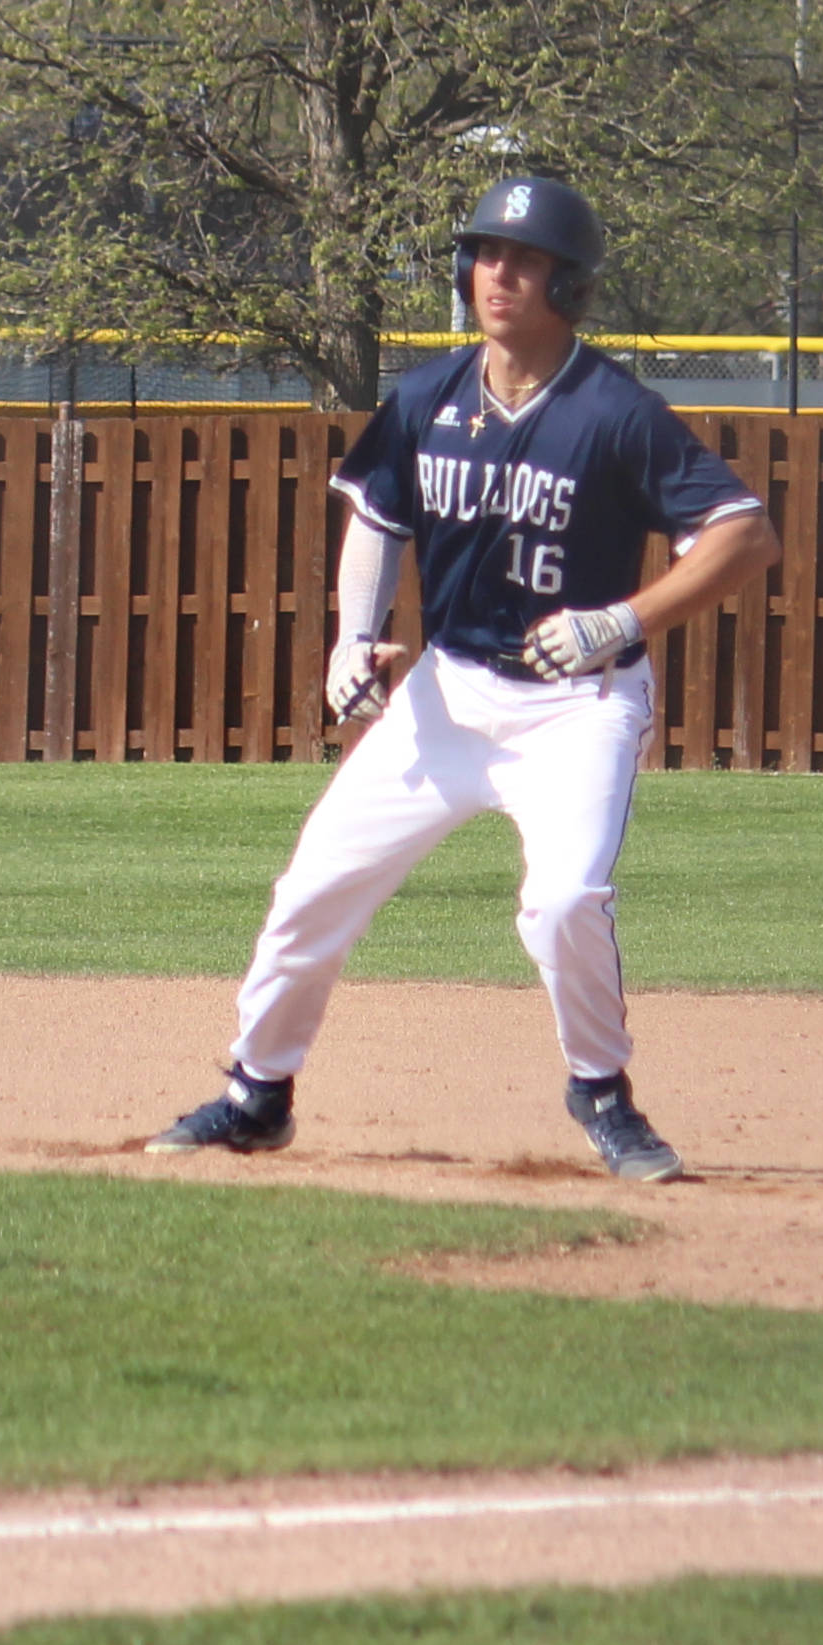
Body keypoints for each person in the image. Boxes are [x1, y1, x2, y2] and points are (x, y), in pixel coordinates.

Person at [148, 174, 777, 1184]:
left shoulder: (613, 411)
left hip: (580, 706)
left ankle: (601, 1092)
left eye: (526, 260)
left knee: (566, 900)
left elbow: (745, 533)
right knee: (316, 885)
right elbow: (378, 514)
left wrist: (625, 616)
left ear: (568, 283)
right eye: (487, 253)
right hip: (448, 696)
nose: (501, 273)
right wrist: (353, 639)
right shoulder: (428, 397)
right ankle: (256, 1095)